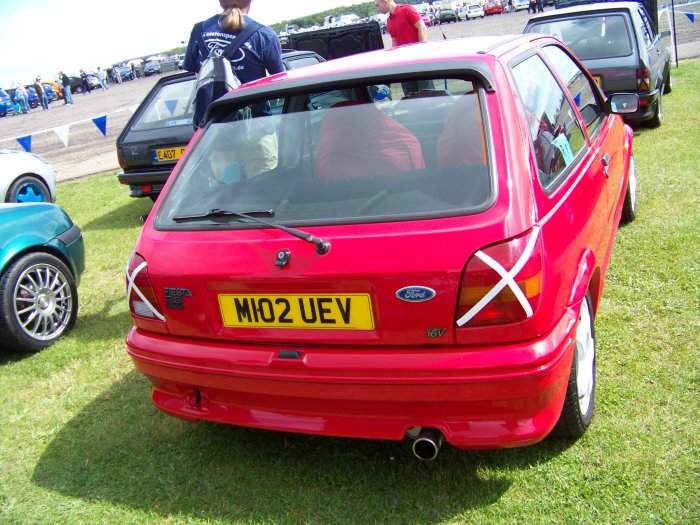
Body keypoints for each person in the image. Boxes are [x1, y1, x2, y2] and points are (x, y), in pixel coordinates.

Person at [184, 0, 284, 128]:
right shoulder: (264, 35)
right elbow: (280, 80)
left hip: (210, 131)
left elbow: (199, 77)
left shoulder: (199, 31)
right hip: (257, 127)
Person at [374, 0, 432, 96]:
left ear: (385, 2)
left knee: (427, 92)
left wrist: (421, 51)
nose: (377, 9)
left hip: (418, 61)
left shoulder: (407, 9)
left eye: (377, 5)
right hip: (404, 64)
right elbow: (395, 43)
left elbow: (422, 28)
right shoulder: (389, 21)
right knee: (409, 95)